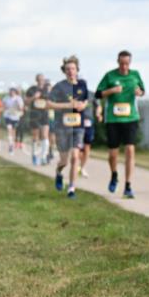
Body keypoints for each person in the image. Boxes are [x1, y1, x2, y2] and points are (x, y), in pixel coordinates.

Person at [96, 50, 145, 198]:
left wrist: (139, 92)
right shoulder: (110, 75)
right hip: (113, 119)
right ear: (118, 62)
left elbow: (142, 90)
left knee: (130, 149)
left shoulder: (135, 74)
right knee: (113, 154)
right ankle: (114, 174)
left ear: (130, 63)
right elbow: (98, 94)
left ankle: (128, 185)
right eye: (122, 63)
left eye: (127, 63)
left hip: (131, 117)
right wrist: (111, 90)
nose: (124, 67)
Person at [47, 56, 90, 198]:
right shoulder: (59, 86)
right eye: (67, 69)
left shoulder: (83, 84)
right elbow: (48, 104)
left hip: (78, 125)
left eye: (73, 69)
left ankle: (71, 189)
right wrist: (67, 105)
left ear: (77, 70)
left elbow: (85, 100)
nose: (70, 71)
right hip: (62, 126)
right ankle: (59, 172)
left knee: (75, 156)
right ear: (64, 71)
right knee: (64, 160)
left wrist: (83, 105)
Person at [25, 74, 50, 165]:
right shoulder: (31, 89)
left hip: (45, 114)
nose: (41, 81)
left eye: (42, 79)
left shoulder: (48, 89)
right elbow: (26, 102)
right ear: (36, 80)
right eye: (39, 79)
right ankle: (34, 155)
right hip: (34, 115)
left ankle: (43, 157)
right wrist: (33, 97)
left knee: (45, 135)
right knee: (35, 137)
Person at [79, 95, 101, 178]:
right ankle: (78, 166)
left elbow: (98, 106)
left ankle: (82, 167)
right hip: (76, 121)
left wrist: (98, 113)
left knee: (87, 146)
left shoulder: (92, 94)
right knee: (77, 147)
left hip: (89, 122)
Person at [3, 87, 24, 154]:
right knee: (9, 130)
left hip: (15, 117)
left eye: (13, 92)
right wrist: (6, 107)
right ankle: (10, 145)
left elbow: (21, 108)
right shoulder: (6, 98)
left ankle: (13, 143)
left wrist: (18, 105)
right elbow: (3, 106)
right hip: (8, 116)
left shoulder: (18, 98)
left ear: (15, 92)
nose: (11, 93)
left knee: (14, 131)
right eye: (10, 92)